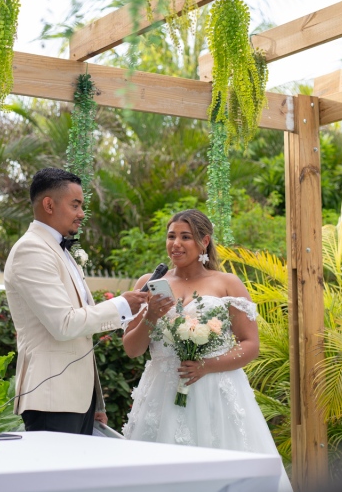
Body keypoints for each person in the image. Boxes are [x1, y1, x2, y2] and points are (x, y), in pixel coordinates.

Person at [121, 209, 292, 491]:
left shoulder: (227, 284)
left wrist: (207, 365)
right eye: (171, 236)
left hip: (215, 393)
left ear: (204, 241)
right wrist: (150, 315)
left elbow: (250, 344)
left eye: (185, 237)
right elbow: (132, 349)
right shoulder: (148, 283)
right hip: (161, 395)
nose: (175, 243)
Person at [4, 168, 148, 435]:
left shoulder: (61, 250)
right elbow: (65, 324)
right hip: (50, 398)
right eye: (76, 205)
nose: (82, 214)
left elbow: (80, 333)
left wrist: (95, 398)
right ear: (49, 204)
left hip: (76, 399)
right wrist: (122, 305)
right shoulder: (31, 249)